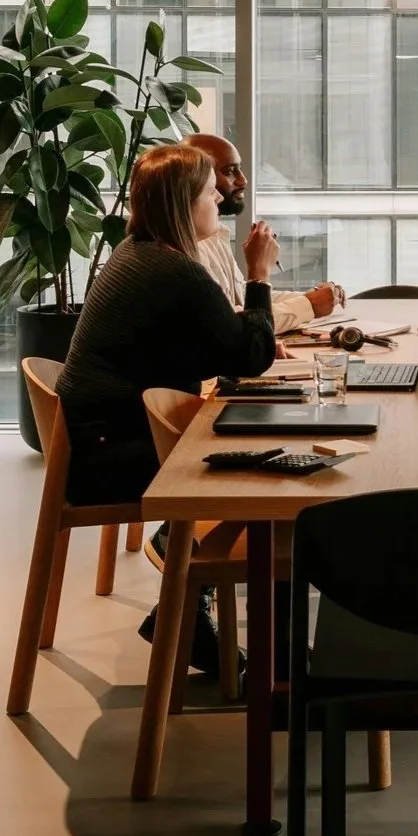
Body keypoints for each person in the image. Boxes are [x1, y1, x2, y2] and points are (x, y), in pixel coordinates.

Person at [57, 142, 279, 674]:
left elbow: (213, 346)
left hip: (102, 438)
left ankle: (182, 604)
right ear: (186, 204)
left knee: (251, 447)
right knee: (267, 470)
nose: (218, 199)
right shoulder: (173, 271)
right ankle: (196, 602)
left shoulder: (139, 255)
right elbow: (252, 355)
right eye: (209, 192)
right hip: (111, 456)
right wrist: (259, 275)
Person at [184, 133, 341, 334]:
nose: (243, 180)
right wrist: (307, 304)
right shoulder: (186, 252)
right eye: (230, 171)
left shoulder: (214, 236)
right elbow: (237, 326)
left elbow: (239, 297)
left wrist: (312, 298)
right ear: (194, 181)